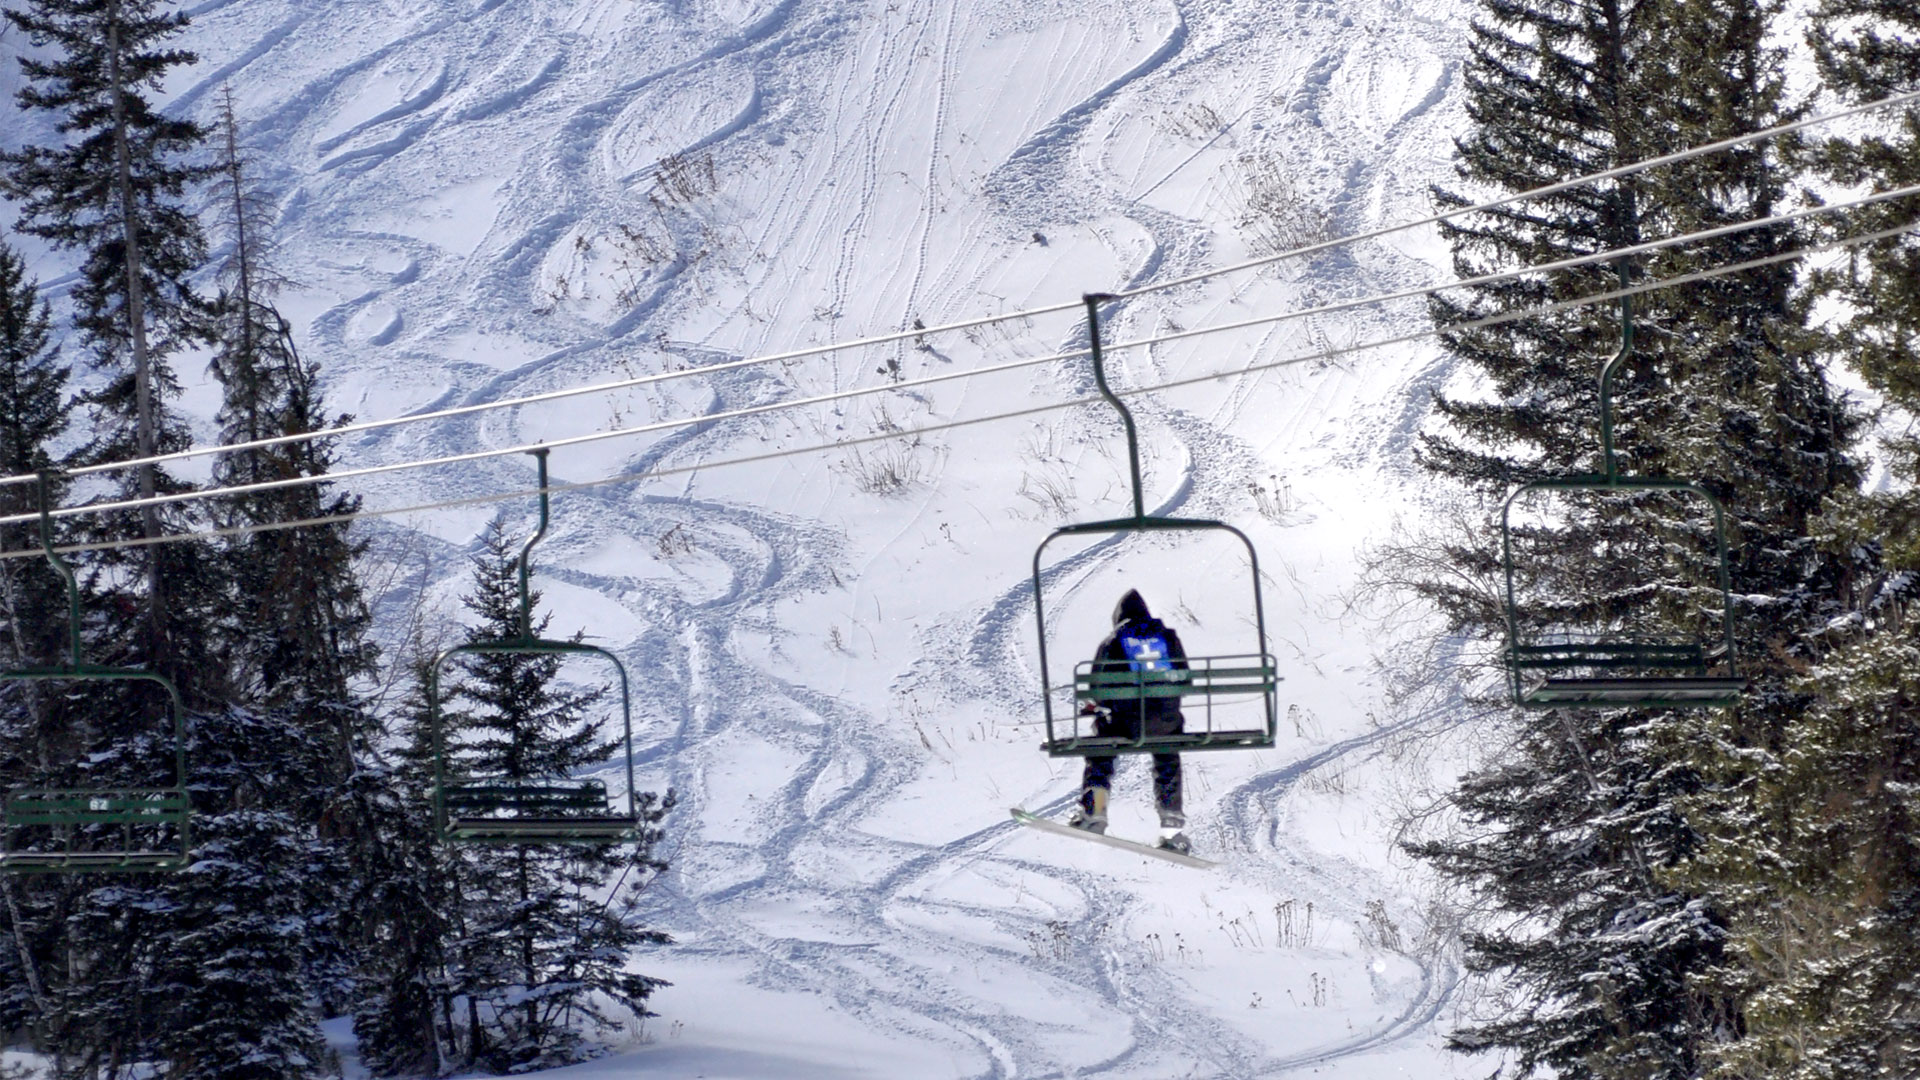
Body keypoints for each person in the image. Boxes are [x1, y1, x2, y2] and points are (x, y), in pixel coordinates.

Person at [1067, 589, 1191, 854]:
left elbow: (1097, 688)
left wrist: (1097, 707)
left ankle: (1094, 812)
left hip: (1126, 724)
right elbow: (1185, 679)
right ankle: (1172, 826)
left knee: (1101, 746)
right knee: (1167, 754)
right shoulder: (1167, 637)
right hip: (1165, 723)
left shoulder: (1114, 641)